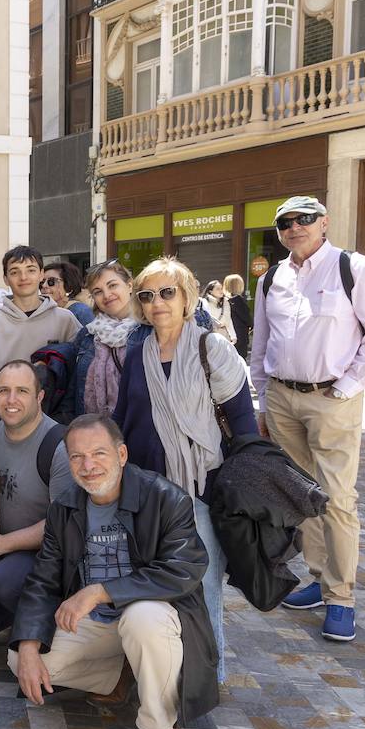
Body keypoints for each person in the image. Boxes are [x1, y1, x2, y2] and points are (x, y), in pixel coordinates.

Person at [10, 415, 216, 729]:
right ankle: (123, 673)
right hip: (99, 623)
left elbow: (184, 568)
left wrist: (100, 591)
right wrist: (28, 645)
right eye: (77, 457)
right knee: (22, 662)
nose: (88, 466)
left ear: (122, 454)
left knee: (142, 619)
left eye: (98, 453)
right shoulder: (65, 507)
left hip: (154, 619)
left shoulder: (166, 498)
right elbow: (42, 580)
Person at [251, 197, 365, 642]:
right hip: (282, 397)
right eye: (285, 222)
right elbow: (261, 343)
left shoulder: (354, 269)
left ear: (324, 223)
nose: (295, 227)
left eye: (304, 219)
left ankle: (341, 597)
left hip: (332, 397)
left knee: (336, 499)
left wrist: (348, 387)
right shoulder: (273, 277)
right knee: (301, 496)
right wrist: (262, 399)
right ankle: (318, 578)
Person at [113, 257, 255, 683]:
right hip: (149, 493)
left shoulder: (213, 348)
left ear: (188, 297)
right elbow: (122, 420)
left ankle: (207, 676)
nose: (157, 302)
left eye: (167, 292)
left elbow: (244, 427)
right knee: (151, 581)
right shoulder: (138, 355)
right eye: (147, 295)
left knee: (203, 586)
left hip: (202, 492)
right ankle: (158, 670)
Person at [0, 360, 75, 622]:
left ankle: (42, 634)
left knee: (4, 582)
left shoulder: (59, 447)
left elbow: (61, 523)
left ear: (40, 396)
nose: (11, 400)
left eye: (22, 391)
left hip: (41, 555)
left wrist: (1, 544)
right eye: (3, 390)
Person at [0, 247, 82, 433]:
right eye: (15, 271)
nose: (23, 277)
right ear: (5, 278)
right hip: (1, 427)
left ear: (42, 274)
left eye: (31, 270)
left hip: (53, 427)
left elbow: (80, 376)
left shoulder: (65, 320)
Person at [72, 261, 136, 418]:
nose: (107, 295)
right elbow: (74, 386)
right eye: (98, 291)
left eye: (112, 285)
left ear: (129, 285)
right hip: (92, 431)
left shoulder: (150, 330)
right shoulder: (88, 335)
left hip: (136, 430)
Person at [42, 261, 95, 326]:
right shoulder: (44, 310)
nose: (44, 286)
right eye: (42, 282)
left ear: (68, 286)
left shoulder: (81, 311)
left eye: (51, 282)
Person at [222, 274, 251, 360]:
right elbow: (247, 318)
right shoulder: (238, 300)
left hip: (227, 333)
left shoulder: (224, 300)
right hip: (240, 335)